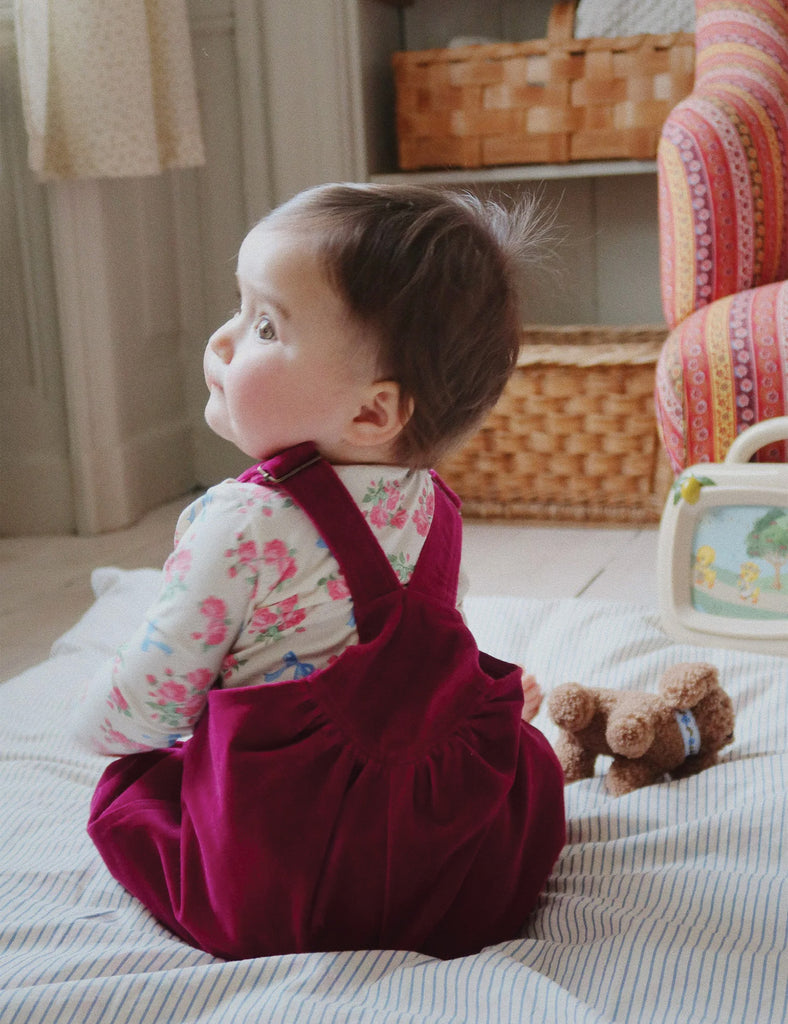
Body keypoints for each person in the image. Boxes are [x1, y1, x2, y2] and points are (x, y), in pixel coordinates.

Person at [75, 182, 566, 961]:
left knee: (132, 790)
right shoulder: (432, 504)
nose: (225, 342)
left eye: (265, 325)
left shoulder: (242, 523)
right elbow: (409, 647)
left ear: (373, 414)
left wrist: (101, 727)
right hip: (433, 859)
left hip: (283, 873)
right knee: (517, 766)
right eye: (238, 309)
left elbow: (154, 689)